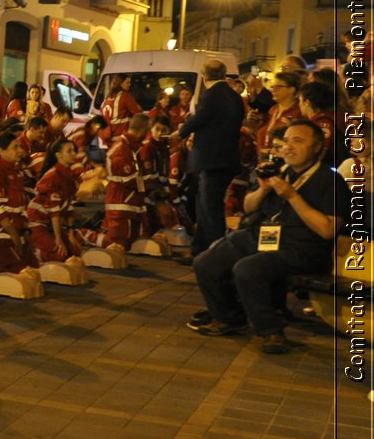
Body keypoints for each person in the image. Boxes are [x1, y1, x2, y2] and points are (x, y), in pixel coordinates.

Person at [189, 121, 348, 355]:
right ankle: (229, 317)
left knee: (247, 269)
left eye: (298, 141)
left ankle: (272, 331)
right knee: (206, 262)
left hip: (300, 248)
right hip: (261, 236)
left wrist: (293, 196)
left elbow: (326, 230)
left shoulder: (330, 181)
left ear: (317, 149)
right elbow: (247, 206)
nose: (289, 147)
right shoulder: (279, 171)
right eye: (287, 142)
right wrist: (263, 190)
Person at [0, 131, 37, 273]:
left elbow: (21, 206)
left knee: (34, 271)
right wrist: (14, 234)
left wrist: (26, 231)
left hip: (15, 231)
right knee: (21, 272)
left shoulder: (17, 172)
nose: (20, 150)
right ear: (1, 151)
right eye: (15, 147)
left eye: (20, 146)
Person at [28, 138, 91, 262]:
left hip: (52, 223)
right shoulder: (53, 176)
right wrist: (59, 239)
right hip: (38, 221)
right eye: (69, 151)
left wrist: (70, 234)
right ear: (58, 155)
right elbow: (54, 213)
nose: (74, 154)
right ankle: (30, 252)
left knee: (75, 252)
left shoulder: (70, 175)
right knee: (60, 253)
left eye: (74, 150)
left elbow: (68, 209)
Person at [102, 114, 153, 249]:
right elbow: (130, 180)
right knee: (117, 244)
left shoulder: (130, 147)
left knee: (133, 241)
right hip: (121, 205)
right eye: (147, 131)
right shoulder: (122, 149)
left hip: (129, 203)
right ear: (142, 130)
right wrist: (149, 186)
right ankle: (82, 235)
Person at [257, 70, 303, 154]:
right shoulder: (273, 109)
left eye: (278, 87)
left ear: (291, 90)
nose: (273, 90)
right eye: (272, 87)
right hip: (265, 156)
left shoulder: (299, 112)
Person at [101, 74, 140, 140]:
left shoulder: (108, 97)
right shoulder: (125, 96)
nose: (129, 84)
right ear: (120, 83)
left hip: (108, 135)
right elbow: (138, 113)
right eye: (127, 82)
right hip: (121, 134)